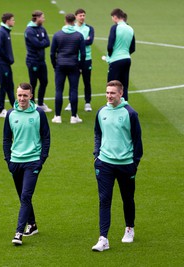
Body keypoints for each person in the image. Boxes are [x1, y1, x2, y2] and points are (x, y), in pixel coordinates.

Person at [92, 80, 143, 252]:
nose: (109, 96)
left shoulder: (130, 114)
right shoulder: (101, 112)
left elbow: (137, 141)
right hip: (105, 163)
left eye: (112, 93)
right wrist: (96, 155)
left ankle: (129, 228)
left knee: (127, 198)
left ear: (121, 94)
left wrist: (134, 163)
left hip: (126, 165)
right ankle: (103, 238)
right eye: (107, 92)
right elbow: (98, 133)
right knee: (104, 200)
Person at [3, 82, 50, 246]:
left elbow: (46, 137)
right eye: (20, 95)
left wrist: (41, 160)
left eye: (25, 95)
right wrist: (8, 160)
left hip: (32, 162)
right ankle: (33, 225)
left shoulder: (39, 114)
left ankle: (18, 233)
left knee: (25, 196)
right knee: (23, 197)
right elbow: (6, 139)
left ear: (31, 96)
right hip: (16, 162)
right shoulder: (10, 114)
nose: (22, 98)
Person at [50, 13, 86, 124]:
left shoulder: (57, 35)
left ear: (65, 20)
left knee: (59, 90)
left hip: (60, 65)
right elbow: (83, 54)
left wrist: (55, 65)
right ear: (74, 20)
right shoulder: (79, 35)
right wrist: (80, 66)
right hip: (73, 65)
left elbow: (52, 53)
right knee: (73, 90)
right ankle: (74, 116)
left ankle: (57, 116)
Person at [65, 9, 95, 112]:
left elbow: (90, 41)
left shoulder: (89, 28)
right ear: (76, 16)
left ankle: (87, 102)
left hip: (87, 58)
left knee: (87, 81)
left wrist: (77, 41)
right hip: (74, 59)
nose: (82, 17)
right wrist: (82, 41)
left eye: (83, 15)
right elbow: (70, 41)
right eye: (80, 15)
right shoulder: (72, 28)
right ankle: (71, 102)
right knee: (73, 82)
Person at [24, 10, 52, 112]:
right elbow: (37, 44)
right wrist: (41, 42)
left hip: (41, 61)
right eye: (42, 17)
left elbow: (47, 42)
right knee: (33, 83)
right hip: (33, 61)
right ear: (37, 18)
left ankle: (40, 103)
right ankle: (32, 104)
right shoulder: (29, 30)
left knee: (44, 81)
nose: (44, 19)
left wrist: (41, 42)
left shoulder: (42, 29)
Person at [106, 8, 135, 101]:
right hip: (127, 59)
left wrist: (110, 56)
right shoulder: (130, 28)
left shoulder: (115, 27)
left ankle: (113, 108)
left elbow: (110, 46)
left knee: (112, 85)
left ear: (115, 17)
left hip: (116, 60)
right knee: (124, 85)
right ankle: (125, 107)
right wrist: (125, 53)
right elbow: (133, 48)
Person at [0, 13, 16, 118]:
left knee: (10, 85)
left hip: (5, 63)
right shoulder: (1, 32)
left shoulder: (6, 31)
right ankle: (1, 110)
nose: (14, 21)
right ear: (7, 21)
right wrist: (9, 59)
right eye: (12, 20)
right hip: (1, 63)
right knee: (4, 85)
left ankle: (15, 107)